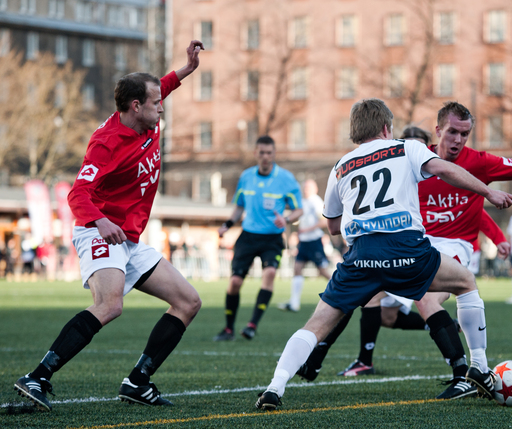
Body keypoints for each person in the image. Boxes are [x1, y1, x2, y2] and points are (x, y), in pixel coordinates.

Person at [299, 101, 512, 400]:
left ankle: (465, 373)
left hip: (457, 246)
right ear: (438, 131)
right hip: (417, 244)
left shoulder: (479, 163)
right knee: (373, 302)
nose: (458, 140)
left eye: (465, 134)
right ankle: (317, 359)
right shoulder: (413, 159)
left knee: (426, 298)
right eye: (452, 132)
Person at [254, 98, 512, 410]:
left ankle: (274, 387)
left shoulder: (340, 166)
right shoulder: (406, 147)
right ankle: (478, 367)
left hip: (360, 256)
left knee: (316, 323)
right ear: (386, 127)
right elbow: (444, 169)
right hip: (407, 250)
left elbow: (334, 227)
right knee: (465, 282)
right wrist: (488, 191)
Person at [13, 40, 205, 412]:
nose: (161, 105)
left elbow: (159, 85)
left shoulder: (146, 113)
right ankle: (37, 376)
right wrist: (100, 222)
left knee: (188, 301)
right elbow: (77, 195)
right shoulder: (107, 143)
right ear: (137, 107)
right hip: (98, 229)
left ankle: (138, 381)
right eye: (155, 102)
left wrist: (186, 69)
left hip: (127, 237)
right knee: (110, 304)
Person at [215, 135, 303, 341]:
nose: (265, 156)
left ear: (274, 154)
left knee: (270, 272)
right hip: (248, 236)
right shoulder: (246, 177)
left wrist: (287, 219)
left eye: (269, 153)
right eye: (261, 152)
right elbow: (239, 206)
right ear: (255, 153)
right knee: (235, 282)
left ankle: (252, 325)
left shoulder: (286, 179)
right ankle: (228, 329)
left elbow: (299, 209)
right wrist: (227, 225)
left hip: (272, 239)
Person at [278, 179, 332, 313]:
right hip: (304, 241)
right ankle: (294, 303)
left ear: (315, 189)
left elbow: (324, 222)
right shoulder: (303, 202)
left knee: (323, 271)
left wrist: (306, 230)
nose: (305, 190)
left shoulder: (316, 202)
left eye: (308, 187)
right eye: (304, 187)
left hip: (314, 241)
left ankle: (343, 292)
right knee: (297, 269)